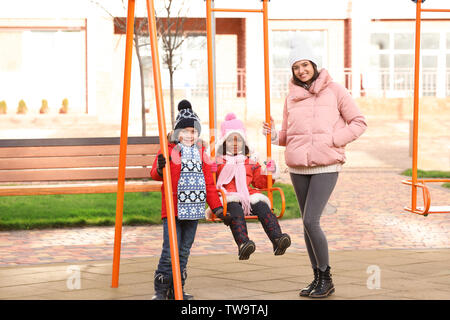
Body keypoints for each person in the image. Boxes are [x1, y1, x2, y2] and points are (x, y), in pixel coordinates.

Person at [263, 46, 367, 298]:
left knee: (311, 220)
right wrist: (275, 135)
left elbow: (358, 122)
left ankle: (326, 277)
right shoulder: (291, 97)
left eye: (305, 65)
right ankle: (317, 278)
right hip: (298, 166)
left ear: (314, 65)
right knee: (307, 225)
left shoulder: (336, 90)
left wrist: (334, 140)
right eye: (296, 67)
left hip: (326, 164)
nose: (301, 71)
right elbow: (292, 135)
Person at [150, 100, 224, 300]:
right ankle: (160, 291)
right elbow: (155, 175)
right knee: (169, 251)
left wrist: (216, 207)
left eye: (193, 131)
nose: (189, 135)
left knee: (183, 251)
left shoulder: (202, 153)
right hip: (173, 209)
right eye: (185, 131)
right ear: (177, 132)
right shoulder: (167, 148)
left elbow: (209, 183)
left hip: (194, 209)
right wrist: (160, 167)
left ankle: (177, 289)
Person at [210, 112, 291, 261]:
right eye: (230, 140)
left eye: (238, 140)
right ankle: (243, 244)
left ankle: (278, 239)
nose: (235, 144)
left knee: (262, 206)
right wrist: (211, 170)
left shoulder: (250, 162)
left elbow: (260, 183)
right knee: (235, 212)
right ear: (223, 143)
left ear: (244, 143)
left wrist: (269, 172)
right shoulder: (219, 161)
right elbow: (210, 183)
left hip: (248, 195)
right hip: (228, 196)